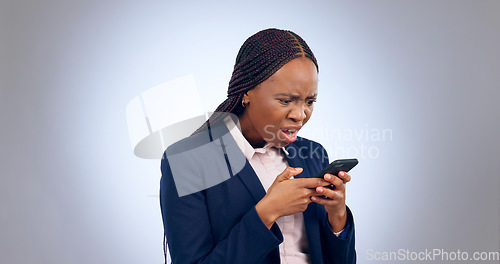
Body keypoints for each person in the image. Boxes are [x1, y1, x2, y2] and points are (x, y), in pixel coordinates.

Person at [160, 28, 356, 264]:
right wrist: (267, 212)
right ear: (247, 92)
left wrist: (337, 217)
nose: (300, 114)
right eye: (285, 100)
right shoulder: (190, 160)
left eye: (310, 101)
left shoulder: (313, 154)